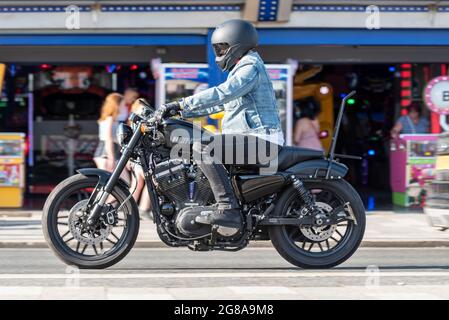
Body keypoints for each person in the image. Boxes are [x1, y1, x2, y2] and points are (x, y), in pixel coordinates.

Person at [153, 19, 283, 229]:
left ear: (237, 45)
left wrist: (180, 103)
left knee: (203, 147)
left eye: (223, 47)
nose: (220, 53)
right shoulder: (244, 67)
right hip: (252, 138)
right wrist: (181, 111)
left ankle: (228, 208)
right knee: (199, 145)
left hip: (261, 139)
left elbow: (223, 93)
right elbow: (218, 105)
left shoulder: (250, 66)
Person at [128, 99, 152, 218]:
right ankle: (142, 208)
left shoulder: (135, 124)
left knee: (137, 184)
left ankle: (130, 208)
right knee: (149, 182)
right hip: (140, 157)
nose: (144, 112)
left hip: (140, 157)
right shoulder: (138, 125)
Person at [93, 93, 123, 172]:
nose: (123, 106)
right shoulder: (110, 120)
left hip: (106, 154)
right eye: (122, 104)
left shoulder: (110, 119)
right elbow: (108, 139)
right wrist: (111, 158)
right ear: (117, 105)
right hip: (106, 155)